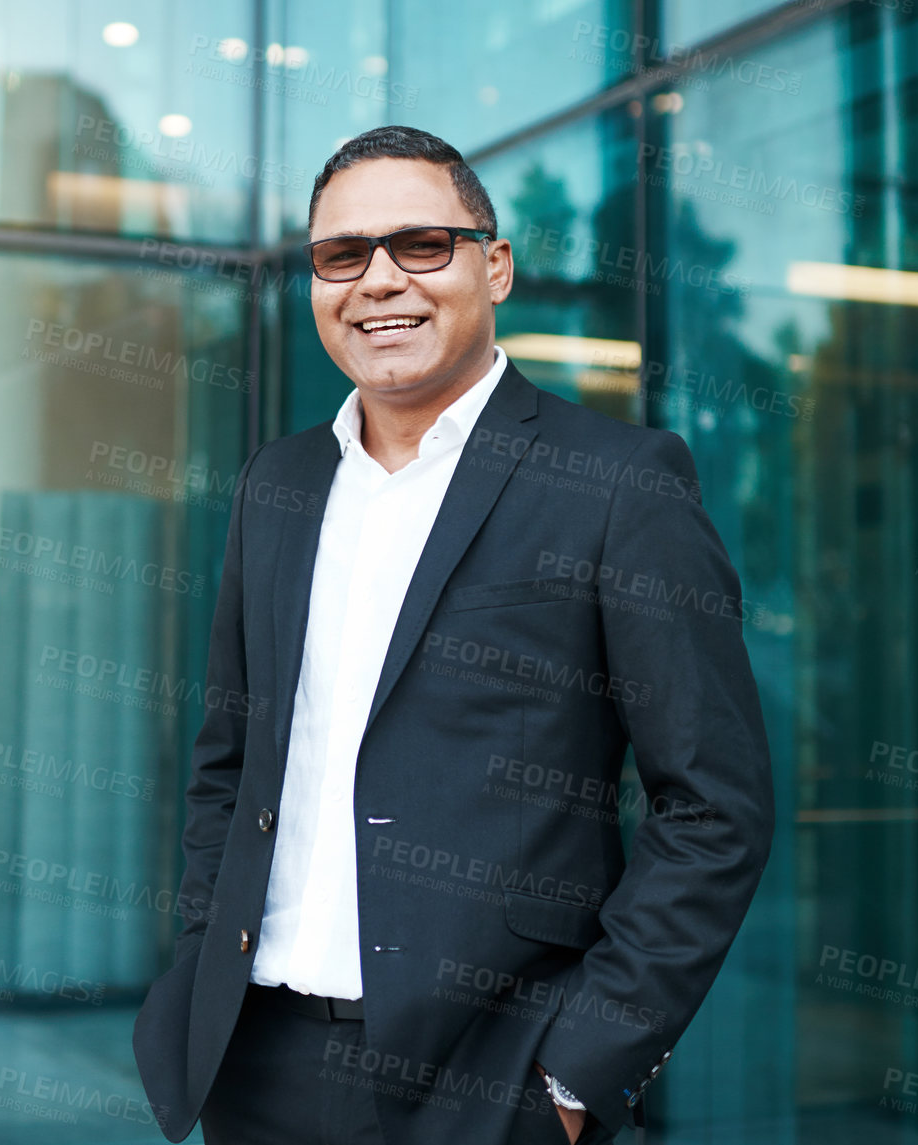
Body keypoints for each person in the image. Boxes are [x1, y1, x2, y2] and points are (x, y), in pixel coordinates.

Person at [131, 125, 774, 1145]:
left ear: (497, 265)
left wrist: (577, 1070)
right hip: (257, 1064)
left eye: (421, 244)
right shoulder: (278, 483)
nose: (379, 280)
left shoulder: (619, 482)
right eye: (343, 255)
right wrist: (203, 953)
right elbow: (230, 760)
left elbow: (713, 807)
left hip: (494, 1077)